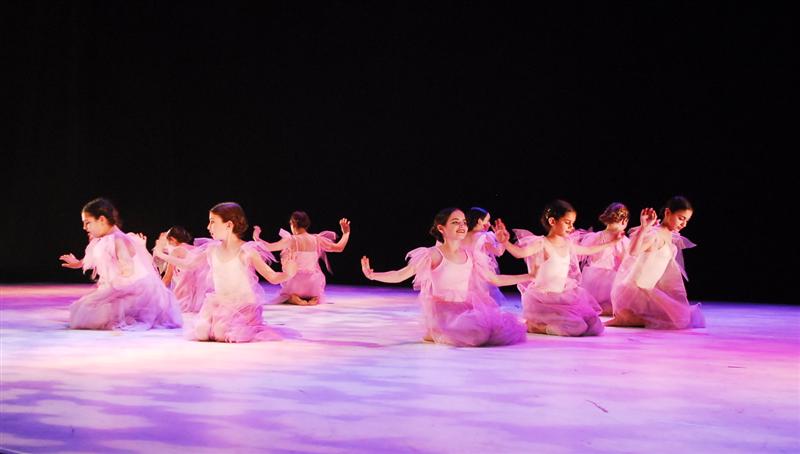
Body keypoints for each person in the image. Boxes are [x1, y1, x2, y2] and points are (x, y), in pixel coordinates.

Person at [361, 207, 530, 347]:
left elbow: (495, 279)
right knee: (476, 335)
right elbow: (401, 274)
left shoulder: (470, 255)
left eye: (464, 222)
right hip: (443, 312)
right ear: (441, 229)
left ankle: (446, 332)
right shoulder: (433, 254)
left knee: (494, 330)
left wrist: (529, 276)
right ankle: (437, 331)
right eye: (455, 222)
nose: (462, 226)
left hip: (465, 307)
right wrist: (372, 275)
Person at [153, 202, 297, 342]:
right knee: (201, 332)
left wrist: (288, 274)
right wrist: (161, 254)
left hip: (243, 306)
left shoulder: (247, 251)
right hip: (220, 303)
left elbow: (272, 276)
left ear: (229, 225)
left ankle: (233, 324)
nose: (208, 226)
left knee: (222, 333)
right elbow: (189, 264)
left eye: (212, 222)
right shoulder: (212, 249)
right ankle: (218, 323)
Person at [495, 200, 622, 336]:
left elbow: (588, 250)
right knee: (577, 327)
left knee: (595, 326)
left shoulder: (567, 244)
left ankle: (561, 320)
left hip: (563, 297)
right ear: (552, 221)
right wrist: (505, 242)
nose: (571, 227)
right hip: (544, 300)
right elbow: (520, 253)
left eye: (572, 223)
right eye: (567, 222)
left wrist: (612, 243)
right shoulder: (542, 243)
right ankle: (536, 327)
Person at [59, 198, 182, 330]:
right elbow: (93, 257)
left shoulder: (119, 239)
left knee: (92, 312)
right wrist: (78, 263)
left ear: (102, 220)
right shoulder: (102, 240)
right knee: (85, 308)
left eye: (88, 223)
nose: (84, 227)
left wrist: (120, 278)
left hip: (135, 290)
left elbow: (127, 266)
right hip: (121, 287)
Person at [606, 196, 705, 329]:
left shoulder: (671, 236)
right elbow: (633, 251)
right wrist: (644, 227)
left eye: (686, 220)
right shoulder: (654, 234)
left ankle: (631, 317)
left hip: (649, 291)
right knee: (673, 319)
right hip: (635, 292)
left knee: (682, 317)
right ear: (668, 212)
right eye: (681, 218)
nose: (684, 224)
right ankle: (624, 317)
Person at [253, 211, 350, 305]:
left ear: (293, 223)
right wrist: (346, 233)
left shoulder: (291, 240)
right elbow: (339, 248)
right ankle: (313, 298)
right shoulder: (317, 239)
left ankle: (293, 298)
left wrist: (257, 238)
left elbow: (269, 247)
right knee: (314, 280)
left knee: (286, 292)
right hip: (313, 285)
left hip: (295, 284)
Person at [577, 203, 631, 315]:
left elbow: (589, 254)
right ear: (624, 221)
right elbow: (627, 262)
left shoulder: (594, 237)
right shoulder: (621, 240)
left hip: (591, 280)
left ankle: (596, 308)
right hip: (611, 283)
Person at [156, 226, 210, 313]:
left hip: (185, 294)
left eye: (167, 241)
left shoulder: (176, 251)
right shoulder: (193, 249)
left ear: (173, 239)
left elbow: (167, 277)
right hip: (197, 296)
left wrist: (156, 292)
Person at [463, 207, 507, 305]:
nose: (489, 224)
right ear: (479, 221)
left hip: (463, 271)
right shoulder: (484, 237)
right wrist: (503, 239)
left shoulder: (462, 235)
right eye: (487, 220)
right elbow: (499, 252)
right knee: (482, 301)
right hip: (479, 273)